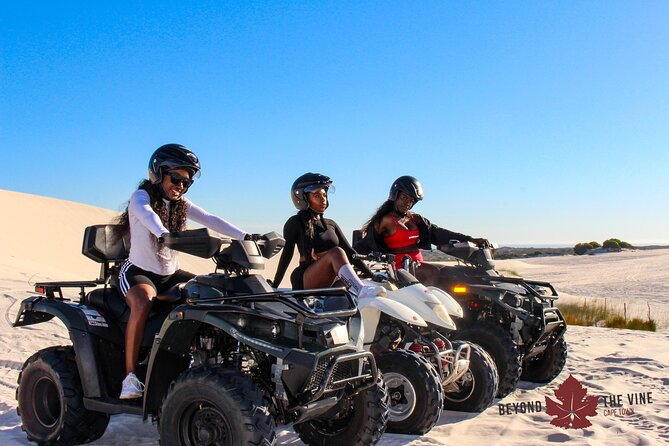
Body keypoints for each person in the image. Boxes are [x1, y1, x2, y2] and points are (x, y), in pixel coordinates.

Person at [114, 143, 249, 399]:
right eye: (176, 178)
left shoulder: (180, 204)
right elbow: (146, 216)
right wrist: (164, 234)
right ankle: (130, 378)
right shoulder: (141, 197)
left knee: (213, 291)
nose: (181, 186)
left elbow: (210, 219)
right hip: (138, 271)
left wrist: (245, 236)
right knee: (143, 302)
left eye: (186, 182)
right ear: (158, 172)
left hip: (170, 273)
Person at [355, 175, 488, 285]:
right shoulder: (385, 221)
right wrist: (347, 257)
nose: (407, 203)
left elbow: (440, 233)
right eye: (404, 198)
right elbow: (365, 244)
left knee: (451, 272)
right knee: (433, 272)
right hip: (400, 266)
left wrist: (470, 239)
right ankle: (429, 307)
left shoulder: (415, 219)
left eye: (411, 200)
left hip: (419, 263)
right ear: (395, 196)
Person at [272, 173, 385, 299]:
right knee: (336, 252)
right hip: (306, 280)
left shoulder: (331, 224)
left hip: (330, 280)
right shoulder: (295, 222)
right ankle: (361, 290)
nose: (323, 199)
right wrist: (275, 285)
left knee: (360, 285)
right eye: (317, 195)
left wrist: (372, 275)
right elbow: (286, 255)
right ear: (303, 198)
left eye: (324, 195)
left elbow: (350, 252)